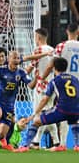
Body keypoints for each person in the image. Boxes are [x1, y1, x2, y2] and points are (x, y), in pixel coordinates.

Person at [0, 51, 39, 152]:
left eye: (18, 58)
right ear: (9, 59)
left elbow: (31, 86)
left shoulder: (21, 72)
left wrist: (36, 77)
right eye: (14, 58)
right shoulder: (1, 69)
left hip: (9, 105)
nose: (16, 60)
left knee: (2, 134)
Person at [24, 57, 79, 152]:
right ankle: (77, 145)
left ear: (54, 68)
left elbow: (45, 99)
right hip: (76, 110)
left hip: (62, 110)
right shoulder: (75, 79)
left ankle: (25, 146)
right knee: (74, 122)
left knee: (37, 121)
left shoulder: (55, 81)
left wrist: (34, 114)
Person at [41, 23, 79, 151]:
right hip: (77, 84)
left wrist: (43, 78)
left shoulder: (62, 46)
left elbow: (52, 63)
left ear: (67, 32)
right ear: (78, 32)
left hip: (64, 83)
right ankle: (76, 145)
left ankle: (62, 144)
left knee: (64, 112)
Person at [26, 28, 59, 149]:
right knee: (47, 112)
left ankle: (41, 142)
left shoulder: (39, 50)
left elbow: (29, 68)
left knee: (41, 113)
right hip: (52, 85)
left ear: (38, 38)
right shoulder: (53, 50)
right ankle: (49, 142)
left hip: (42, 85)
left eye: (35, 37)